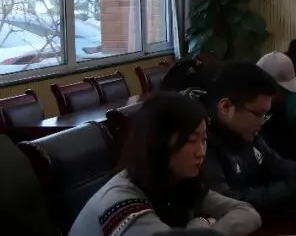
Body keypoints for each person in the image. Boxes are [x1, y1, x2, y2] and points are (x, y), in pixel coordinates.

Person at [69, 92, 261, 236]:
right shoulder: (121, 199)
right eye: (191, 141)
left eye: (203, 140)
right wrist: (200, 223)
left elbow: (247, 213)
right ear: (157, 143)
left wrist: (204, 231)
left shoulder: (180, 180)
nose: (201, 152)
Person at [203, 62, 296, 216]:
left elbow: (277, 165)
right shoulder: (201, 144)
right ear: (226, 107)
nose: (262, 122)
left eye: (265, 115)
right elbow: (228, 203)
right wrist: (295, 190)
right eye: (258, 114)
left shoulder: (246, 133)